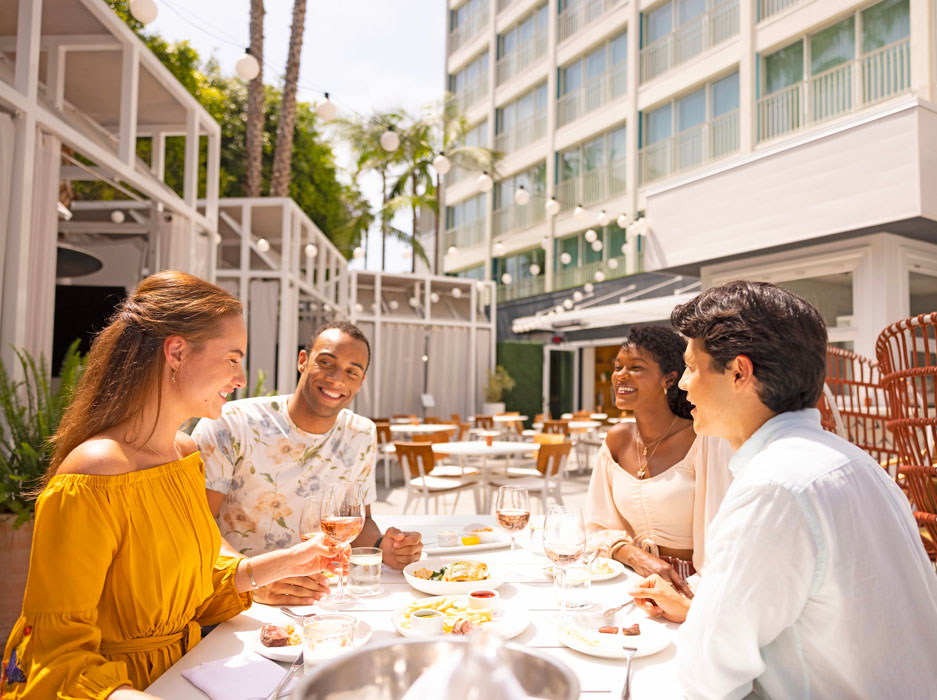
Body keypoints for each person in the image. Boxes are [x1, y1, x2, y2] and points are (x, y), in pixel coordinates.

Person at [1, 272, 341, 700]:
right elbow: (56, 659)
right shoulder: (94, 474)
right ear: (176, 352)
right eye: (233, 358)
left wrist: (288, 561)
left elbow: (190, 592)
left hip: (186, 675)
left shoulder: (183, 456)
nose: (240, 377)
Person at [631, 280, 937, 699]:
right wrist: (699, 608)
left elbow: (704, 681)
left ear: (739, 372)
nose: (682, 384)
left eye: (691, 366)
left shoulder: (776, 486)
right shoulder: (857, 464)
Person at [193, 320, 423, 605]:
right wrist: (253, 581)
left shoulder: (361, 433)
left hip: (321, 597)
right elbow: (196, 528)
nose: (337, 379)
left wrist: (382, 547)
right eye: (327, 362)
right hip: (241, 604)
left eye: (352, 371)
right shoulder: (231, 424)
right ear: (303, 360)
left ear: (361, 382)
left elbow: (358, 523)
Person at [585, 326, 733, 596]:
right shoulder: (617, 441)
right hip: (629, 581)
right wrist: (631, 554)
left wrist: (692, 595)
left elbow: (727, 539)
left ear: (668, 379)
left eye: (636, 367)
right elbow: (593, 527)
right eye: (618, 367)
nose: (621, 376)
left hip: (695, 586)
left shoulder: (704, 440)